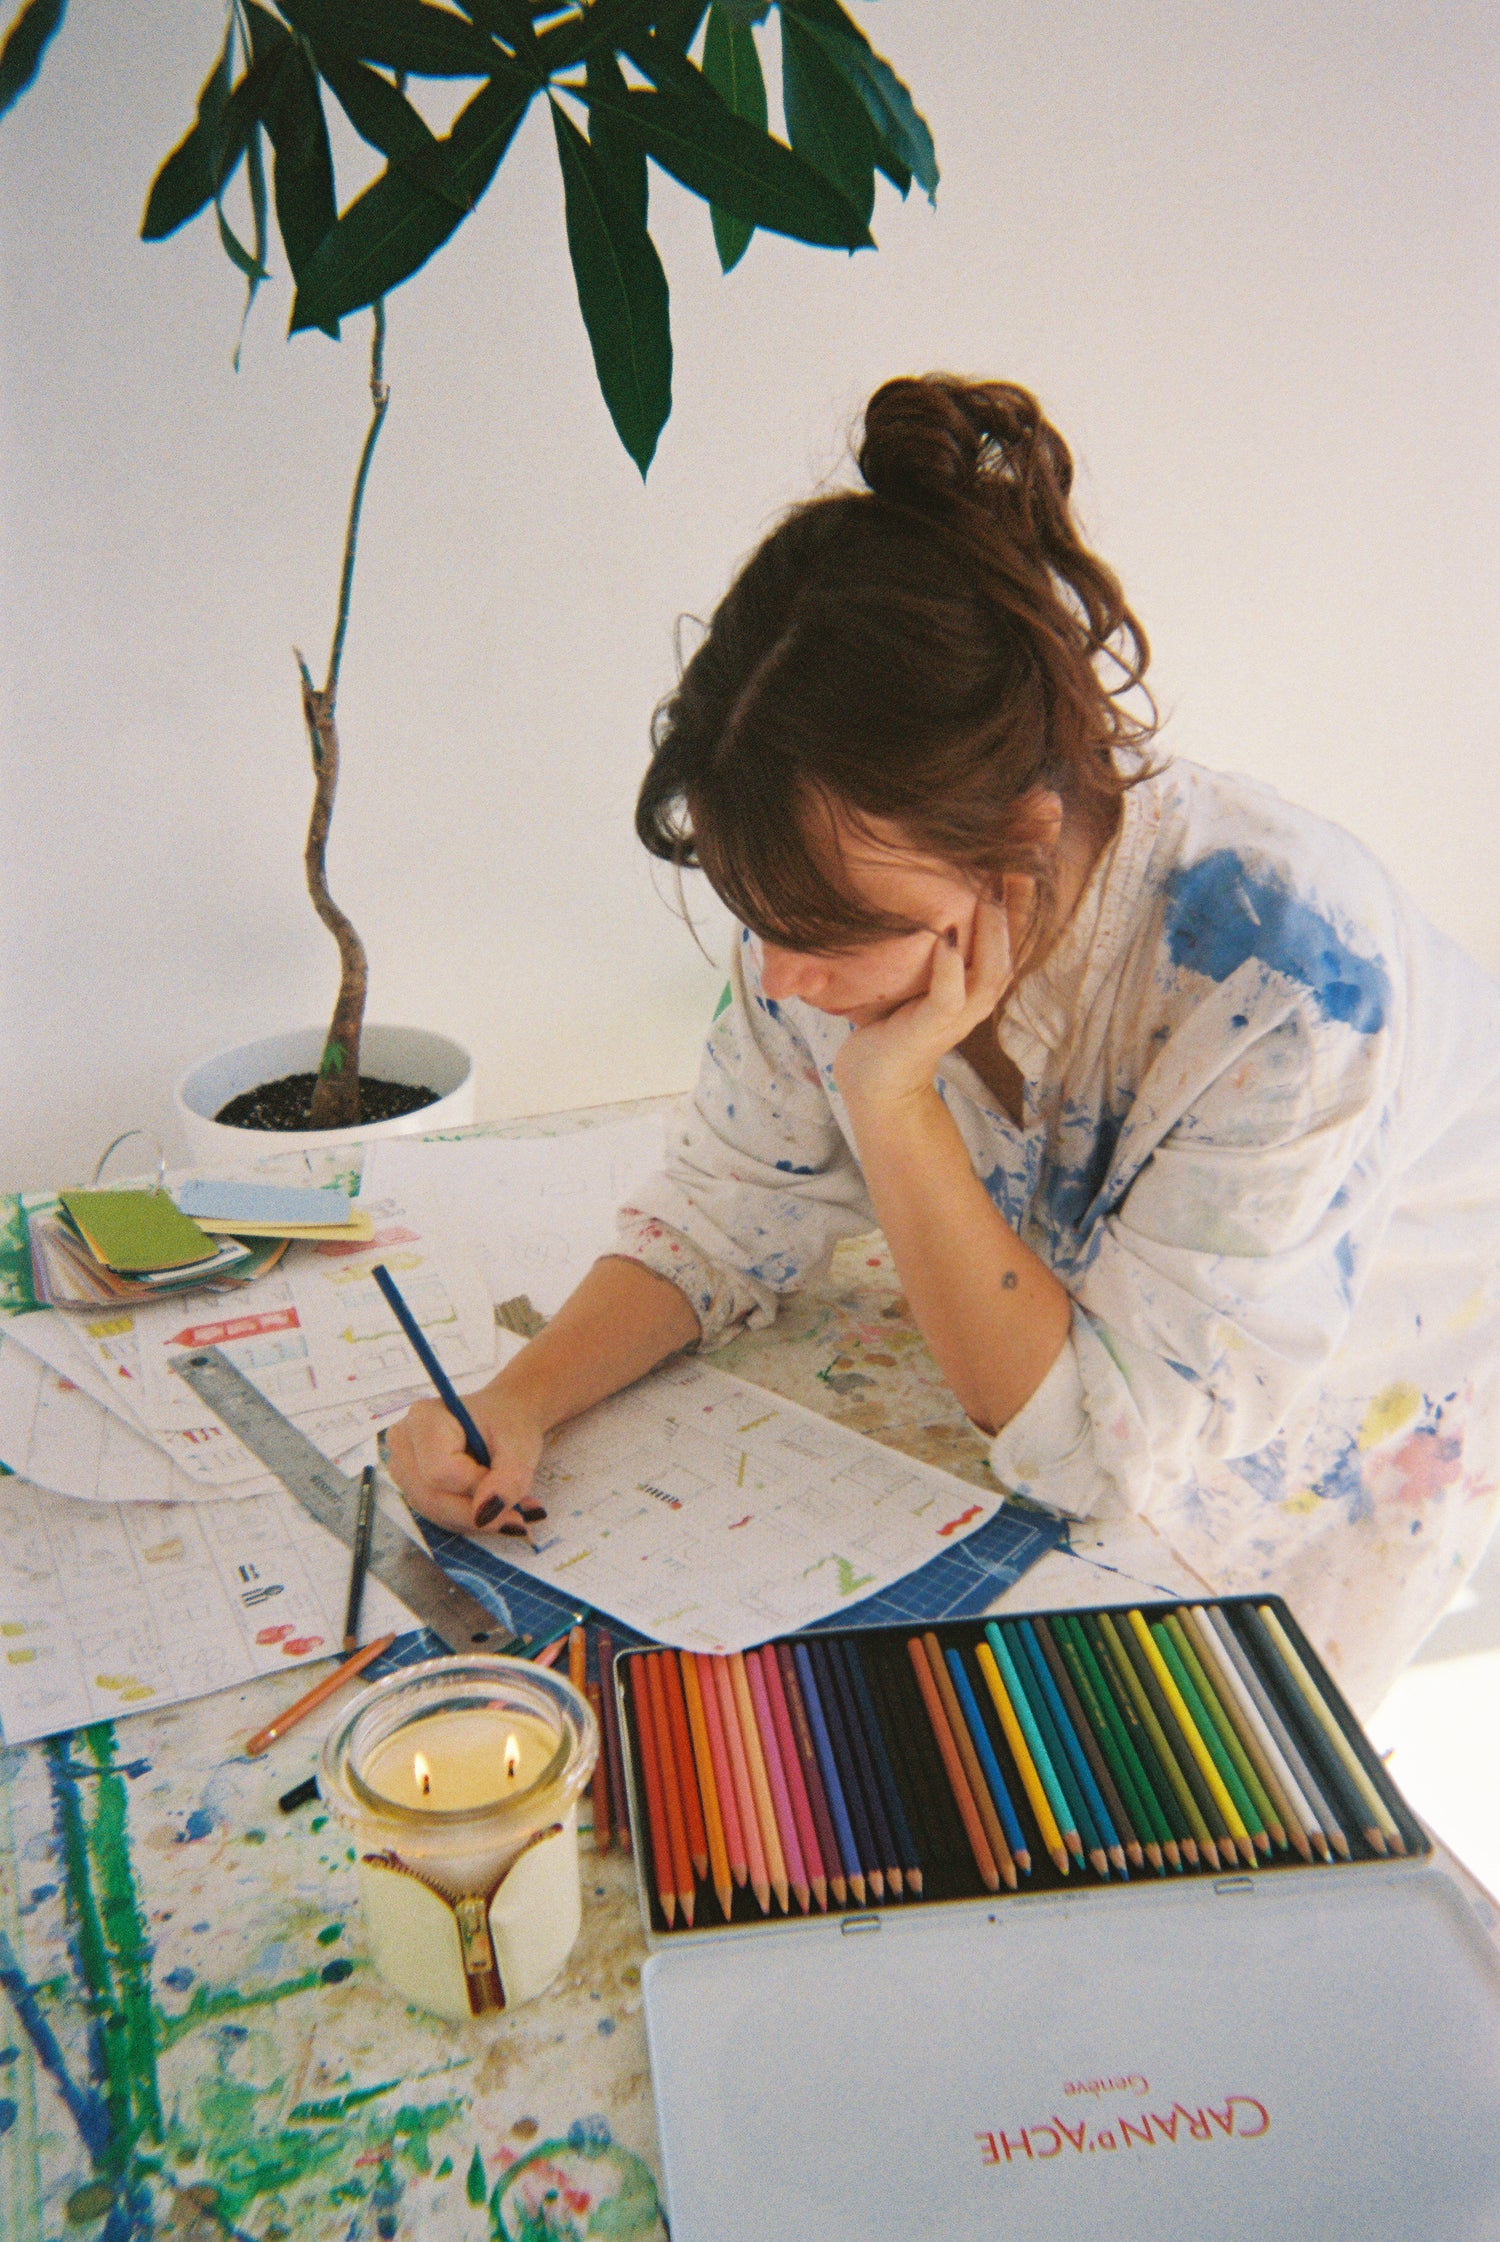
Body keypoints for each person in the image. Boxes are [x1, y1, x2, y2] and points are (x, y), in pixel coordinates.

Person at [389, 375, 1500, 1714]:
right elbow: (724, 1204)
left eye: (835, 930)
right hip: (1081, 1355)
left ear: (1025, 837)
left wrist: (892, 1096)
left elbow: (1098, 1447)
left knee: (1234, 1770)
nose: (784, 975)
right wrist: (521, 1398)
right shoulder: (823, 920)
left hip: (1362, 1353)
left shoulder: (1291, 976)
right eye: (758, 915)